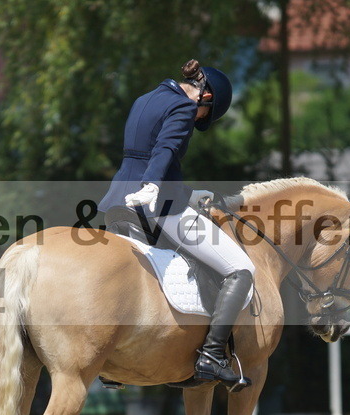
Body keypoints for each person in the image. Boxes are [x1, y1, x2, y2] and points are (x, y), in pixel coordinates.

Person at [98, 59, 255, 391]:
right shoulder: (185, 106)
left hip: (117, 202)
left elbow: (138, 157)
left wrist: (193, 194)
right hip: (157, 205)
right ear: (205, 96)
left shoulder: (146, 98)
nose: (198, 118)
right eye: (204, 115)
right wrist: (154, 186)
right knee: (241, 269)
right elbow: (164, 151)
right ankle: (212, 356)